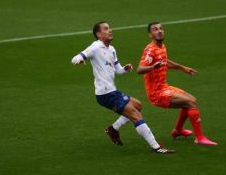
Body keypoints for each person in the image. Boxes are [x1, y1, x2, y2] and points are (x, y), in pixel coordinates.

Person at [71, 21, 174, 154]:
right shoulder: (95, 47)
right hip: (105, 94)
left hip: (112, 91)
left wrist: (125, 69)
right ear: (98, 34)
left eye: (109, 28)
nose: (110, 30)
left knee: (137, 105)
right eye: (106, 29)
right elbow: (75, 58)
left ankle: (114, 129)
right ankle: (157, 147)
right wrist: (79, 60)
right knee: (136, 115)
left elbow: (118, 70)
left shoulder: (112, 49)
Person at [137, 22, 217, 146]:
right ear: (150, 34)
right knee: (190, 103)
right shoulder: (150, 50)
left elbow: (164, 61)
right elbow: (140, 69)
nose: (159, 31)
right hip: (157, 93)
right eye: (155, 29)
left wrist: (182, 67)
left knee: (191, 100)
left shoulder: (162, 46)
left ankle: (178, 130)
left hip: (164, 87)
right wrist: (153, 66)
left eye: (161, 28)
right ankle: (199, 138)